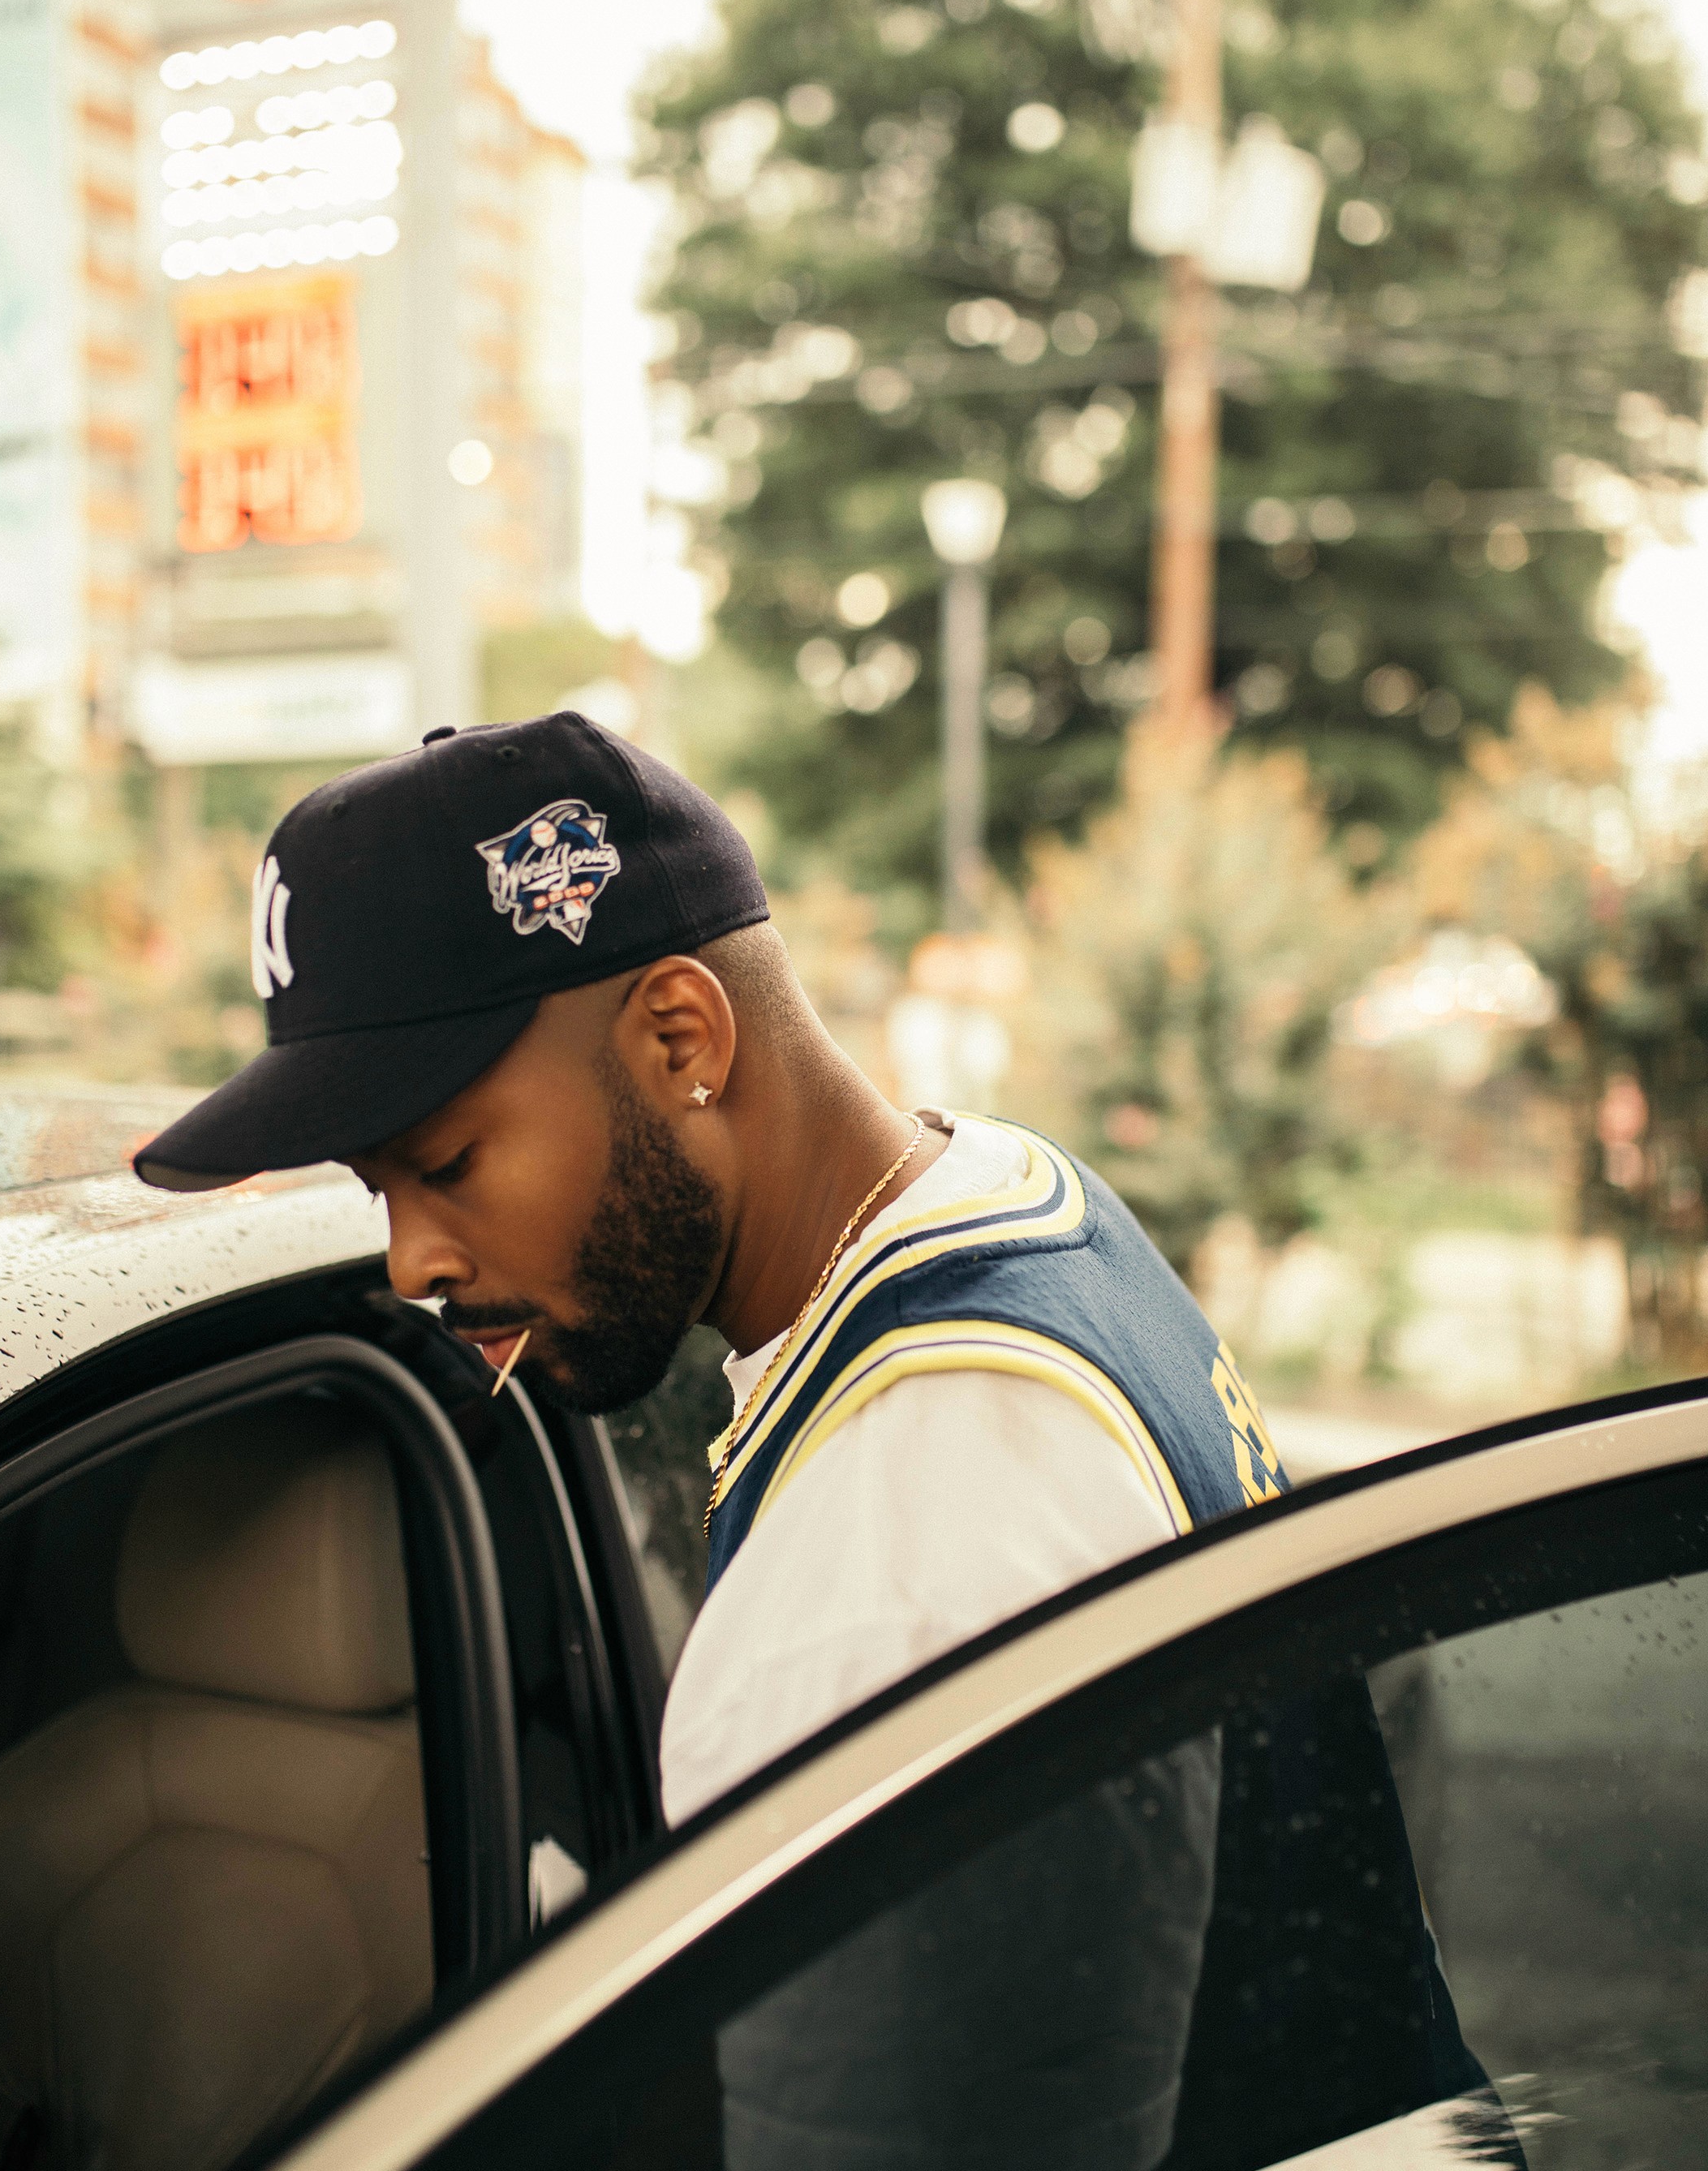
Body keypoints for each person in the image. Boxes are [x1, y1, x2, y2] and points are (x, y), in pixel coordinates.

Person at [136, 712, 1287, 1837]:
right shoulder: (1013, 1191)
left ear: (681, 1039)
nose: (411, 1261)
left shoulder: (889, 1589)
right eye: (375, 1187)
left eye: (446, 1164)